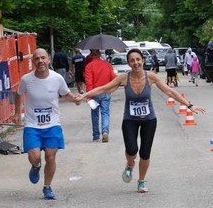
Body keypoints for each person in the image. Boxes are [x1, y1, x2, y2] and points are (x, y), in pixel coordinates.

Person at [76, 48, 205, 193]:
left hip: (149, 120)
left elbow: (170, 91)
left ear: (143, 60)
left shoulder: (151, 77)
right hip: (130, 120)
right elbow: (104, 88)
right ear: (129, 63)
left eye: (138, 59)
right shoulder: (124, 78)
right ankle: (130, 163)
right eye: (132, 60)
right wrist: (85, 95)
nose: (136, 63)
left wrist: (189, 105)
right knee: (131, 150)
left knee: (145, 153)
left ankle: (141, 181)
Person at [13, 48, 80, 200]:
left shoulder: (57, 78)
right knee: (35, 156)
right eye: (37, 59)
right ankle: (36, 167)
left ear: (48, 60)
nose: (40, 61)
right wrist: (17, 113)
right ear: (33, 62)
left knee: (50, 157)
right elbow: (18, 95)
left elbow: (66, 94)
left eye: (43, 58)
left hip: (52, 124)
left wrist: (74, 99)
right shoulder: (26, 79)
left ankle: (47, 187)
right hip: (32, 125)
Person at [84, 48, 116, 142]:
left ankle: (96, 134)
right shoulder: (107, 64)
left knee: (95, 114)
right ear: (99, 54)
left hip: (94, 93)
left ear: (91, 54)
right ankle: (105, 131)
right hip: (106, 92)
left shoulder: (89, 66)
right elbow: (114, 78)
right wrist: (110, 88)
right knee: (105, 113)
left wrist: (88, 97)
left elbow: (89, 83)